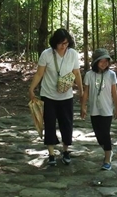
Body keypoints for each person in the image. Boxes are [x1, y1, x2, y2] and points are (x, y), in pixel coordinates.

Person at [28, 28, 83, 167]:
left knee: (67, 124)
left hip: (66, 96)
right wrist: (31, 88)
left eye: (65, 43)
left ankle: (65, 151)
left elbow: (76, 73)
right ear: (55, 43)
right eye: (60, 43)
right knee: (50, 124)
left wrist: (81, 90)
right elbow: (39, 74)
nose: (63, 46)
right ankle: (51, 153)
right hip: (48, 95)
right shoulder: (46, 54)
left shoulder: (72, 54)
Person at [80, 48, 117, 170]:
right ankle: (109, 150)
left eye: (106, 61)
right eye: (101, 61)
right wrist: (83, 106)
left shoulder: (111, 75)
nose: (104, 64)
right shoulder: (89, 75)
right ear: (95, 62)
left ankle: (107, 157)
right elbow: (85, 92)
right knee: (98, 135)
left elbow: (114, 93)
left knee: (105, 133)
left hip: (107, 109)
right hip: (94, 110)